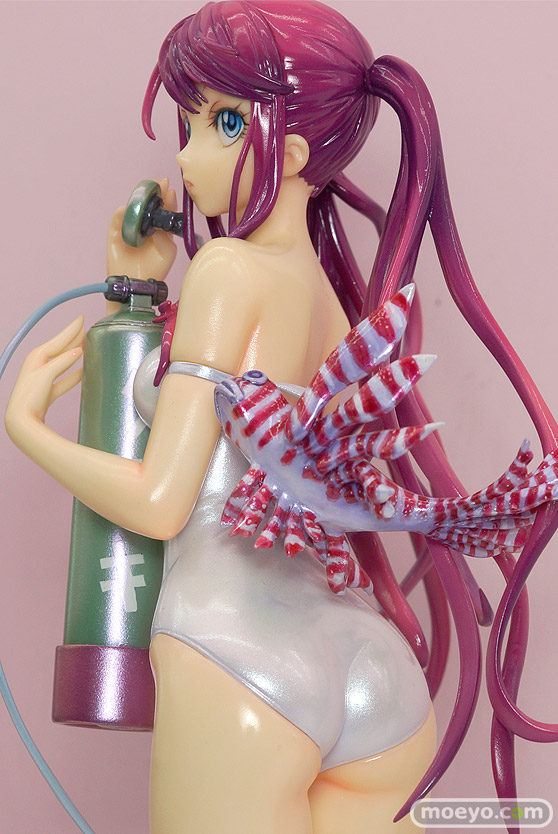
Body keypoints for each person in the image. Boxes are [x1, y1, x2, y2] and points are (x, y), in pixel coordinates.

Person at [4, 2, 557, 832]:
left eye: (224, 123)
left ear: (292, 154)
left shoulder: (227, 272)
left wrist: (27, 428)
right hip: (371, 671)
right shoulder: (331, 298)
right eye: (191, 121)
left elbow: (161, 501)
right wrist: (137, 289)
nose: (186, 155)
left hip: (238, 657)